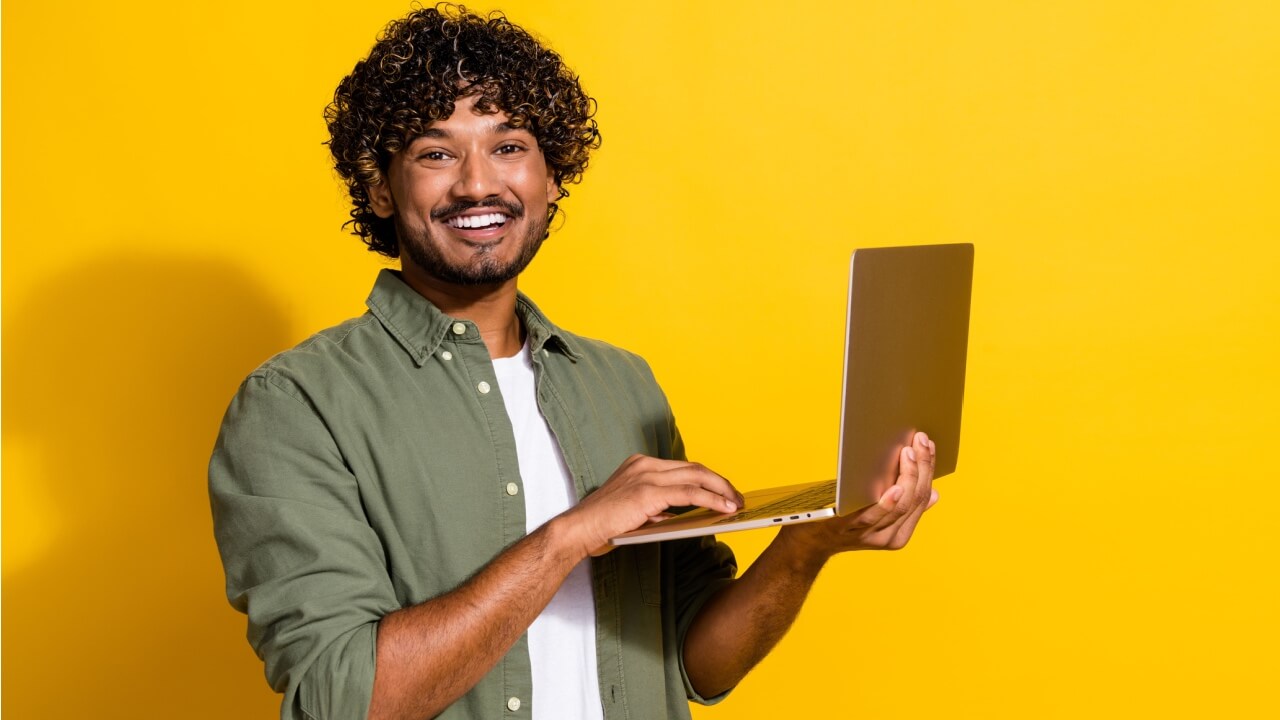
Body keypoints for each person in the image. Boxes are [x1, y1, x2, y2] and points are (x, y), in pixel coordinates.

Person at [208, 5, 940, 720]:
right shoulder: (295, 405)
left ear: (552, 176)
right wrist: (570, 534)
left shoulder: (620, 384)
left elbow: (693, 662)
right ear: (378, 187)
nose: (476, 184)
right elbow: (345, 698)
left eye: (508, 147)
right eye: (435, 153)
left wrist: (809, 544)